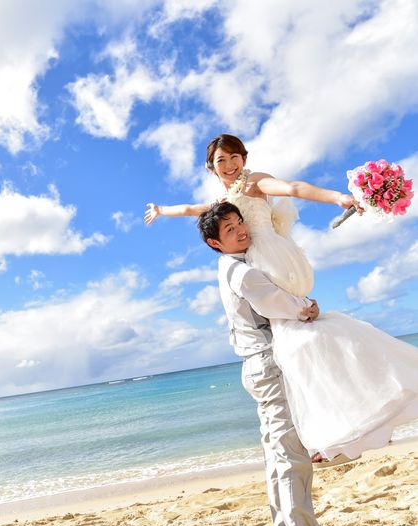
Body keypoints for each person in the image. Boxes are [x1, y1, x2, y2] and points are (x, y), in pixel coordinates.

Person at [145, 134, 418, 461]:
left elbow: (293, 188)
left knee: (300, 336)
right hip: (255, 262)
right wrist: (161, 210)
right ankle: (326, 433)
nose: (229, 165)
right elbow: (191, 209)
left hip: (272, 257)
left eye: (234, 157)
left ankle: (336, 429)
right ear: (211, 168)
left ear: (244, 158)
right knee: (298, 342)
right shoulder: (222, 202)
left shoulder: (255, 182)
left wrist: (338, 198)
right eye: (221, 161)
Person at [196, 202, 368, 526]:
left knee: (276, 453)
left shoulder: (229, 267)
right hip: (269, 368)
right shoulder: (242, 273)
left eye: (239, 222)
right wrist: (308, 307)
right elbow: (289, 307)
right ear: (214, 242)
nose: (240, 230)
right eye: (229, 229)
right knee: (292, 457)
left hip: (258, 368)